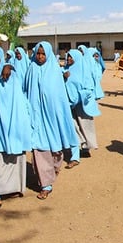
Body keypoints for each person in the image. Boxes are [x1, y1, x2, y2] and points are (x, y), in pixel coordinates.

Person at [24, 41, 79, 199]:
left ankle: (53, 169)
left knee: (55, 151)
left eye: (43, 54)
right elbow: (25, 89)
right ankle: (46, 184)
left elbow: (59, 97)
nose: (40, 57)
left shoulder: (54, 70)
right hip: (35, 117)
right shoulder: (31, 69)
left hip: (52, 118)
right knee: (38, 150)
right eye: (38, 53)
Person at [0, 46, 31, 213]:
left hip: (11, 123)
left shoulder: (10, 74)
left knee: (12, 157)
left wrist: (9, 66)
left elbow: (17, 98)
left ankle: (12, 189)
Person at [63, 49, 100, 163]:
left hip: (82, 104)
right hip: (69, 105)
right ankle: (75, 152)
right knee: (73, 127)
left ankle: (86, 147)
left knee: (85, 126)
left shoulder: (84, 71)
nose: (69, 59)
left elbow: (89, 89)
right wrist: (64, 77)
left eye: (71, 57)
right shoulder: (65, 71)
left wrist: (79, 96)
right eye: (68, 57)